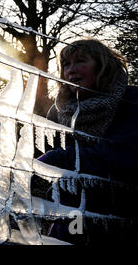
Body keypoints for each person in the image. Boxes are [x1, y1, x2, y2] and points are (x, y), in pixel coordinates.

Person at [35, 39, 138, 245]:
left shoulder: (132, 100)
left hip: (122, 222)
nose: (71, 70)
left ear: (102, 66)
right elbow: (42, 156)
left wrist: (56, 160)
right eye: (66, 65)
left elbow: (121, 157)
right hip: (70, 218)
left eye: (80, 61)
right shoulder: (58, 111)